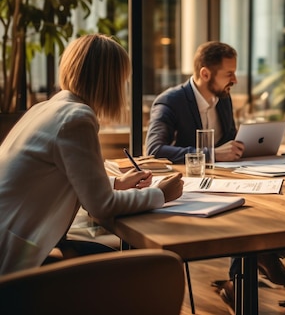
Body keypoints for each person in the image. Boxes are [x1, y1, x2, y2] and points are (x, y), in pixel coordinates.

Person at [0, 34, 184, 275]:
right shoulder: (76, 119)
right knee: (142, 272)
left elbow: (57, 176)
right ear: (110, 81)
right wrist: (159, 195)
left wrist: (115, 183)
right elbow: (102, 206)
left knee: (124, 265)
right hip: (14, 261)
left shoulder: (47, 108)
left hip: (14, 241)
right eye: (123, 79)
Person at [144, 41, 285, 308]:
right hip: (185, 186)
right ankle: (258, 259)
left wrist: (247, 146)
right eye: (229, 73)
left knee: (281, 199)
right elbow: (154, 149)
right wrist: (212, 154)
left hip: (224, 178)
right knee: (247, 210)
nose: (235, 80)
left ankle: (248, 271)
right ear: (205, 74)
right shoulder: (171, 101)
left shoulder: (223, 98)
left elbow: (230, 140)